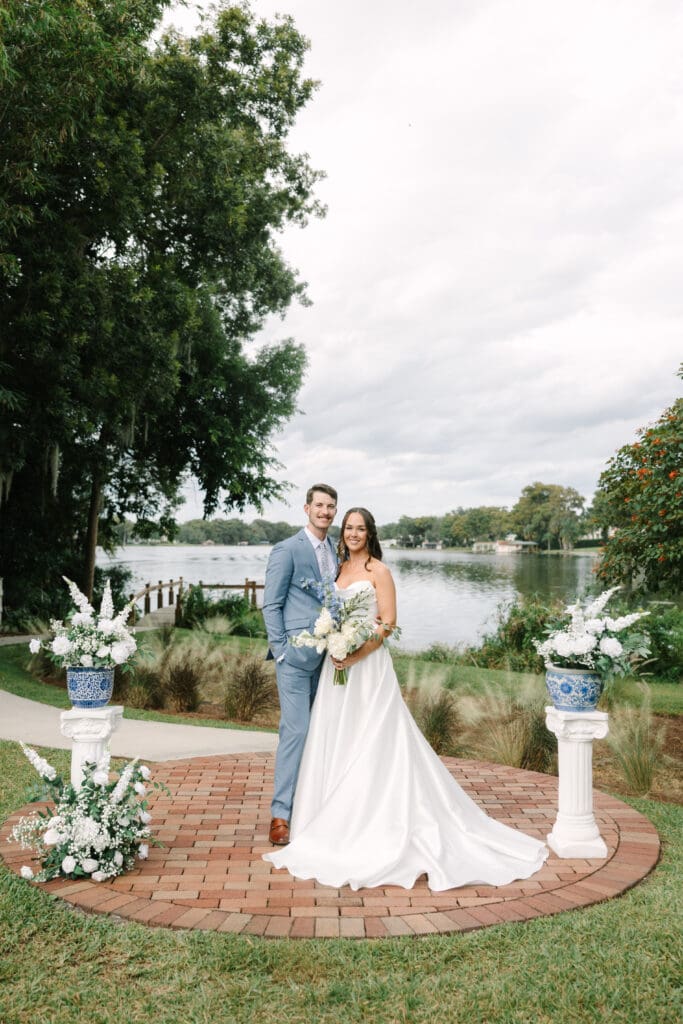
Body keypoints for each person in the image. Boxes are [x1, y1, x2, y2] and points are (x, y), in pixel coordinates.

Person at [264, 507, 548, 890]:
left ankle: (375, 821)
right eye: (348, 528)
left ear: (370, 533)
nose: (353, 534)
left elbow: (387, 623)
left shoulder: (379, 571)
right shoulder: (336, 570)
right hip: (336, 670)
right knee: (336, 737)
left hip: (367, 668)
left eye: (360, 529)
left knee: (372, 737)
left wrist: (357, 652)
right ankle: (328, 818)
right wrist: (333, 641)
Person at [262, 483, 339, 846]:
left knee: (322, 731)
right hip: (294, 658)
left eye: (330, 506)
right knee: (295, 732)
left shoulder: (335, 550)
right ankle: (281, 815)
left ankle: (312, 807)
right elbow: (271, 604)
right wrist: (281, 650)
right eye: (319, 505)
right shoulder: (287, 549)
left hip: (328, 659)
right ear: (307, 508)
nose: (325, 511)